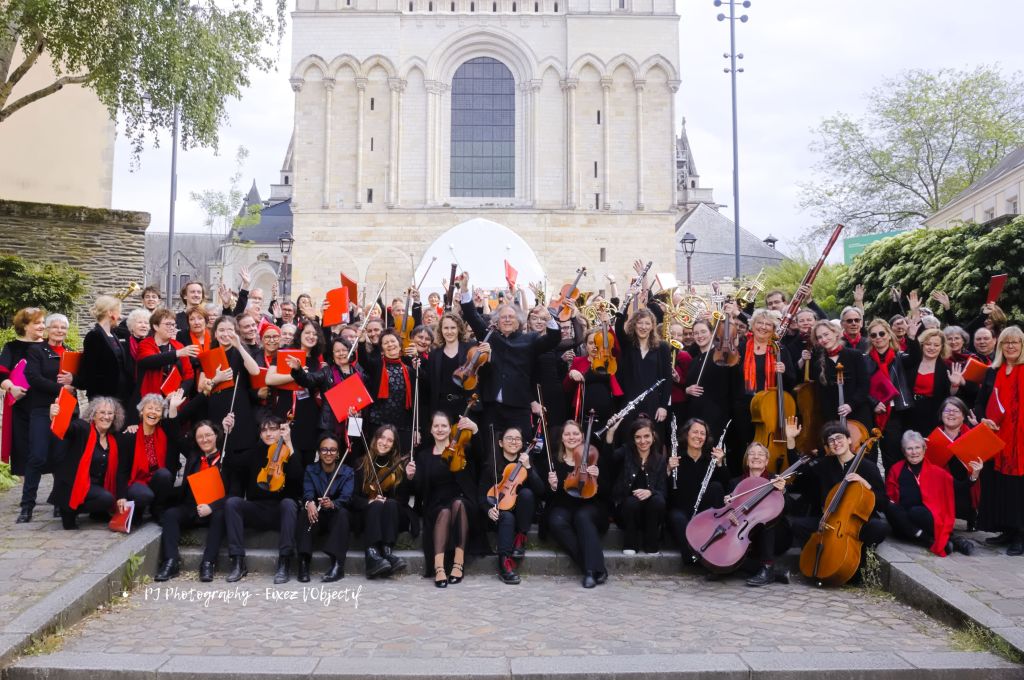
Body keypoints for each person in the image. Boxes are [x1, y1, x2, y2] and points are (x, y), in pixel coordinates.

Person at [459, 272, 561, 439]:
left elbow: (554, 339)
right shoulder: (489, 336)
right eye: (503, 317)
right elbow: (472, 315)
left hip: (519, 407)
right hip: (492, 407)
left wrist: (549, 317)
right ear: (497, 321)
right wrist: (464, 289)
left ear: (519, 321)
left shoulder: (530, 340)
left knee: (520, 448)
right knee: (492, 450)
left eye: (511, 317)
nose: (507, 320)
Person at [789, 421, 890, 563]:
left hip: (858, 522)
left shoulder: (868, 467)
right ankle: (819, 560)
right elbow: (800, 475)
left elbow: (883, 503)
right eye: (831, 440)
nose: (835, 442)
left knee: (879, 528)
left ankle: (859, 562)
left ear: (849, 440)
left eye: (839, 438)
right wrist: (791, 441)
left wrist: (866, 485)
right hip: (831, 521)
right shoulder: (824, 465)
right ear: (828, 446)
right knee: (798, 525)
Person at [222, 416, 303, 584]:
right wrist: (227, 434)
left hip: (281, 512)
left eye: (273, 429)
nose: (268, 433)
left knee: (289, 503)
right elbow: (232, 462)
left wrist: (289, 442)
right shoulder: (254, 453)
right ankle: (237, 561)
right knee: (232, 503)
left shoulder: (288, 452)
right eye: (264, 430)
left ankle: (284, 562)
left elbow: (298, 477)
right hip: (256, 509)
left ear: (281, 431)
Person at [408, 412, 479, 587]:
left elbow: (481, 454)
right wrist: (410, 477)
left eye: (444, 426)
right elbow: (418, 489)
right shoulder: (424, 456)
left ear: (450, 429)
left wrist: (475, 429)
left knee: (458, 504)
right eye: (436, 426)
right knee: (445, 511)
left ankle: (458, 562)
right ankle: (438, 567)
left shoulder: (463, 449)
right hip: (435, 504)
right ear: (431, 430)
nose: (440, 429)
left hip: (461, 499)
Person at [155, 418, 229, 582]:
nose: (205, 440)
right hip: (191, 507)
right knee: (171, 514)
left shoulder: (226, 459)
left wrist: (211, 507)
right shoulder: (194, 455)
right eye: (200, 437)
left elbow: (233, 495)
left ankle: (208, 562)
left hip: (214, 509)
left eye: (208, 435)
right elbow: (175, 434)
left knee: (221, 515)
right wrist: (173, 410)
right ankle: (171, 562)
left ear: (216, 435)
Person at [884, 430, 975, 557]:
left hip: (926, 518)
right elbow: (889, 496)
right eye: (909, 448)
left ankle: (945, 540)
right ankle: (937, 541)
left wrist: (974, 476)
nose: (914, 452)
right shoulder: (896, 469)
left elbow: (960, 488)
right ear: (904, 451)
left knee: (917, 512)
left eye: (917, 448)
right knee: (890, 507)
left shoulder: (936, 471)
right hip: (904, 522)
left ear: (924, 449)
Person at [544, 419, 611, 588]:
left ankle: (589, 572)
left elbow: (607, 491)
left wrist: (597, 477)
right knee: (556, 521)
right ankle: (595, 566)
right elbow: (547, 496)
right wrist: (552, 487)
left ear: (582, 436)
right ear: (562, 437)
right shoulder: (554, 460)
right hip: (564, 506)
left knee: (582, 517)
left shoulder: (593, 456)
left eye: (575, 433)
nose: (571, 437)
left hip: (591, 506)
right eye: (567, 434)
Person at [975, 326, 1024, 555]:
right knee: (999, 484)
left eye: (1015, 342)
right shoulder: (992, 371)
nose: (1011, 346)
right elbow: (979, 402)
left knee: (1018, 487)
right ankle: (1006, 530)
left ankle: (1020, 535)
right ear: (1000, 346)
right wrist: (983, 419)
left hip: (1020, 441)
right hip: (996, 438)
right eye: (1006, 343)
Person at [20, 313, 73, 522]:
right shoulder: (35, 351)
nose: (59, 331)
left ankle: (59, 503)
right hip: (42, 409)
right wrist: (61, 388)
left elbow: (78, 380)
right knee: (37, 456)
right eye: (55, 327)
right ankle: (27, 506)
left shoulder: (70, 353)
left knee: (61, 458)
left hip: (66, 410)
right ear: (48, 329)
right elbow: (33, 378)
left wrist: (74, 381)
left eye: (63, 328)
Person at [203, 316, 263, 496]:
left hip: (239, 405)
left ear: (236, 332)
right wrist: (216, 379)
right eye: (221, 330)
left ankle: (238, 494)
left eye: (230, 330)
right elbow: (204, 387)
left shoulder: (240, 351)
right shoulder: (211, 353)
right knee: (221, 449)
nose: (225, 334)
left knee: (240, 450)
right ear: (215, 333)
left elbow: (255, 371)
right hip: (216, 404)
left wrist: (239, 346)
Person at [49, 397, 128, 530]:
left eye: (110, 413)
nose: (106, 417)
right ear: (93, 414)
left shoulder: (114, 438)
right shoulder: (83, 428)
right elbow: (67, 429)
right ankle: (69, 509)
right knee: (71, 527)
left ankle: (95, 512)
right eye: (102, 412)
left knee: (108, 499)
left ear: (115, 417)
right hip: (73, 486)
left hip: (95, 487)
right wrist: (54, 416)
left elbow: (120, 470)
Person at [479, 426, 544, 585]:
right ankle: (505, 563)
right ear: (501, 443)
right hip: (499, 512)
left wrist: (528, 468)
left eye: (517, 439)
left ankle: (520, 538)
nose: (514, 442)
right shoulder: (491, 465)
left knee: (527, 494)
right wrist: (488, 511)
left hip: (522, 514)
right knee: (506, 516)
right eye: (509, 438)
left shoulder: (527, 464)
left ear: (522, 444)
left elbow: (541, 491)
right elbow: (481, 495)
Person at [725, 438, 791, 587]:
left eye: (761, 454)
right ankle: (774, 573)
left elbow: (788, 509)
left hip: (774, 536)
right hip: (746, 535)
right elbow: (729, 513)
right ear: (747, 461)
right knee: (730, 560)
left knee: (767, 518)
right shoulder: (735, 484)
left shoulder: (775, 481)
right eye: (752, 454)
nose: (756, 457)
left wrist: (782, 491)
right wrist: (729, 508)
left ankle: (767, 566)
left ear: (766, 461)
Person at [351, 424, 413, 579]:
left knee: (390, 503)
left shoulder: (399, 466)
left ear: (394, 445)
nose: (384, 443)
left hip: (391, 515)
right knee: (376, 504)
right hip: (367, 515)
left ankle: (387, 551)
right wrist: (370, 502)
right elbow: (352, 498)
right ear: (375, 439)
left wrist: (408, 478)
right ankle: (371, 555)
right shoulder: (361, 463)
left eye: (390, 440)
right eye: (382, 437)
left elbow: (403, 500)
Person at [665, 417, 728, 567]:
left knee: (716, 487)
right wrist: (668, 470)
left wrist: (720, 464)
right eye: (695, 432)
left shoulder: (710, 461)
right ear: (687, 434)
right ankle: (693, 557)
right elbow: (665, 491)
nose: (699, 436)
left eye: (702, 433)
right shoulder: (676, 458)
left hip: (703, 513)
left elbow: (725, 488)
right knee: (677, 518)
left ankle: (708, 553)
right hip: (681, 511)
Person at [266, 320, 326, 466]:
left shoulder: (318, 362)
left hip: (309, 416)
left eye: (315, 334)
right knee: (284, 460)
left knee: (307, 461)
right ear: (300, 334)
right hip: (286, 411)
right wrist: (295, 374)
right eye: (307, 333)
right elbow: (270, 379)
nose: (311, 336)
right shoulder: (285, 354)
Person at [296, 434, 354, 583]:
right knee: (304, 513)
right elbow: (308, 492)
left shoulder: (347, 472)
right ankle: (303, 561)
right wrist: (310, 503)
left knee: (343, 514)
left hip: (335, 516)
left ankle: (337, 565)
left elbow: (347, 498)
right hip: (317, 517)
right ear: (319, 452)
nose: (328, 453)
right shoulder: (310, 469)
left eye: (333, 450)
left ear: (338, 453)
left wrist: (333, 504)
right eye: (324, 450)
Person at [116, 393, 182, 521]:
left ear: (161, 415)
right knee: (144, 495)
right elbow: (122, 470)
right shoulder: (130, 436)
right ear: (141, 411)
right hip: (136, 482)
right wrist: (121, 496)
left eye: (158, 410)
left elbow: (175, 429)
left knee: (164, 474)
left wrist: (173, 407)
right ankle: (138, 510)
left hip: (156, 482)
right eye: (149, 408)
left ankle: (157, 510)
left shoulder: (164, 433)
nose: (153, 412)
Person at [614, 306, 672, 438]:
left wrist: (663, 406)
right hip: (629, 401)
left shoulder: (662, 347)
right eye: (639, 323)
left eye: (647, 323)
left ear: (652, 326)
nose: (643, 327)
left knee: (653, 440)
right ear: (633, 325)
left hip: (653, 402)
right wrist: (627, 300)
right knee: (629, 440)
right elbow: (618, 327)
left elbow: (667, 378)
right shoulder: (627, 345)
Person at [612, 418, 667, 555]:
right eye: (638, 437)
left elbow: (663, 491)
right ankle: (630, 544)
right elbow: (609, 459)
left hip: (650, 515)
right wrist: (610, 433)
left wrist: (650, 492)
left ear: (653, 436)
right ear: (633, 439)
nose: (643, 441)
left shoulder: (660, 459)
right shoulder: (626, 452)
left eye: (646, 436)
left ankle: (652, 546)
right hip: (628, 511)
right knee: (631, 502)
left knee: (657, 501)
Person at [864, 319, 913, 470]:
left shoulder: (901, 357)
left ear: (889, 335)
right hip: (871, 412)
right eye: (873, 335)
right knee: (869, 457)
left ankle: (893, 489)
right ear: (870, 339)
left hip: (894, 412)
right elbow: (860, 387)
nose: (878, 337)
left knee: (893, 457)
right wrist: (873, 403)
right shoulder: (863, 360)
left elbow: (916, 357)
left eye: (881, 333)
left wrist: (911, 337)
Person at [685, 318, 739, 449]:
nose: (699, 336)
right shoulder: (694, 360)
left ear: (712, 333)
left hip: (716, 413)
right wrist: (687, 390)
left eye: (703, 332)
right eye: (696, 333)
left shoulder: (721, 356)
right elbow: (688, 385)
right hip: (696, 414)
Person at [810, 320, 872, 431]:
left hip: (859, 412)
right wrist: (832, 422)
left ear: (835, 333)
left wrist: (851, 404)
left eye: (826, 334)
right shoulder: (818, 365)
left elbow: (864, 385)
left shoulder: (854, 355)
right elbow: (823, 397)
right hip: (835, 417)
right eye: (819, 337)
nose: (823, 339)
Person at [933, 397, 983, 530]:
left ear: (963, 415)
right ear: (941, 414)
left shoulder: (972, 435)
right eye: (947, 410)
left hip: (965, 484)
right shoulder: (935, 436)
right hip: (941, 483)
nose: (950, 414)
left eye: (956, 411)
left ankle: (971, 514)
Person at [564, 329, 622, 429]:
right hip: (583, 411)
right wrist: (571, 373)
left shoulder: (609, 361)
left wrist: (607, 326)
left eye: (597, 342)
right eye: (591, 343)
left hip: (607, 412)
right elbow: (566, 387)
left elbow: (616, 348)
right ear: (585, 345)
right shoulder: (578, 361)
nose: (594, 346)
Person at [135, 308, 197, 400]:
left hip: (174, 399)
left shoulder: (178, 345)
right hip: (149, 399)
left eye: (173, 324)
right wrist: (177, 353)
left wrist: (178, 394)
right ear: (155, 326)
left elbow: (189, 375)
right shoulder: (145, 344)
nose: (172, 327)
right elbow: (148, 361)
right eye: (168, 324)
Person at [79, 296, 131, 403]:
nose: (120, 317)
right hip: (102, 397)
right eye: (118, 313)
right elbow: (90, 371)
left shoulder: (113, 335)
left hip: (119, 395)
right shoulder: (94, 336)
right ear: (110, 313)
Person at [426, 313, 475, 422]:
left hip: (465, 407)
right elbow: (430, 382)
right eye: (446, 328)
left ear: (459, 329)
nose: (449, 332)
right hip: (441, 408)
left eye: (453, 328)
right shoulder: (434, 353)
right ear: (441, 330)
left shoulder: (470, 348)